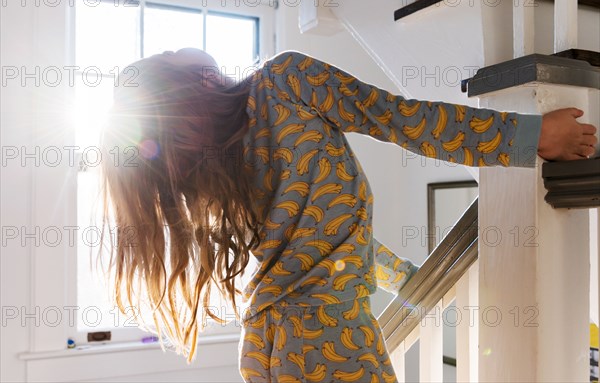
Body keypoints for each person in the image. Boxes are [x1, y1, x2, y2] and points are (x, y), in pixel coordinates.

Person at [99, 48, 597, 382]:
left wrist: (407, 280)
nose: (177, 48)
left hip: (266, 345)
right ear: (200, 79)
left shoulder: (224, 171)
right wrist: (529, 137)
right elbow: (403, 120)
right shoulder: (284, 80)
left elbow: (325, 236)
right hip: (328, 334)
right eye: (169, 55)